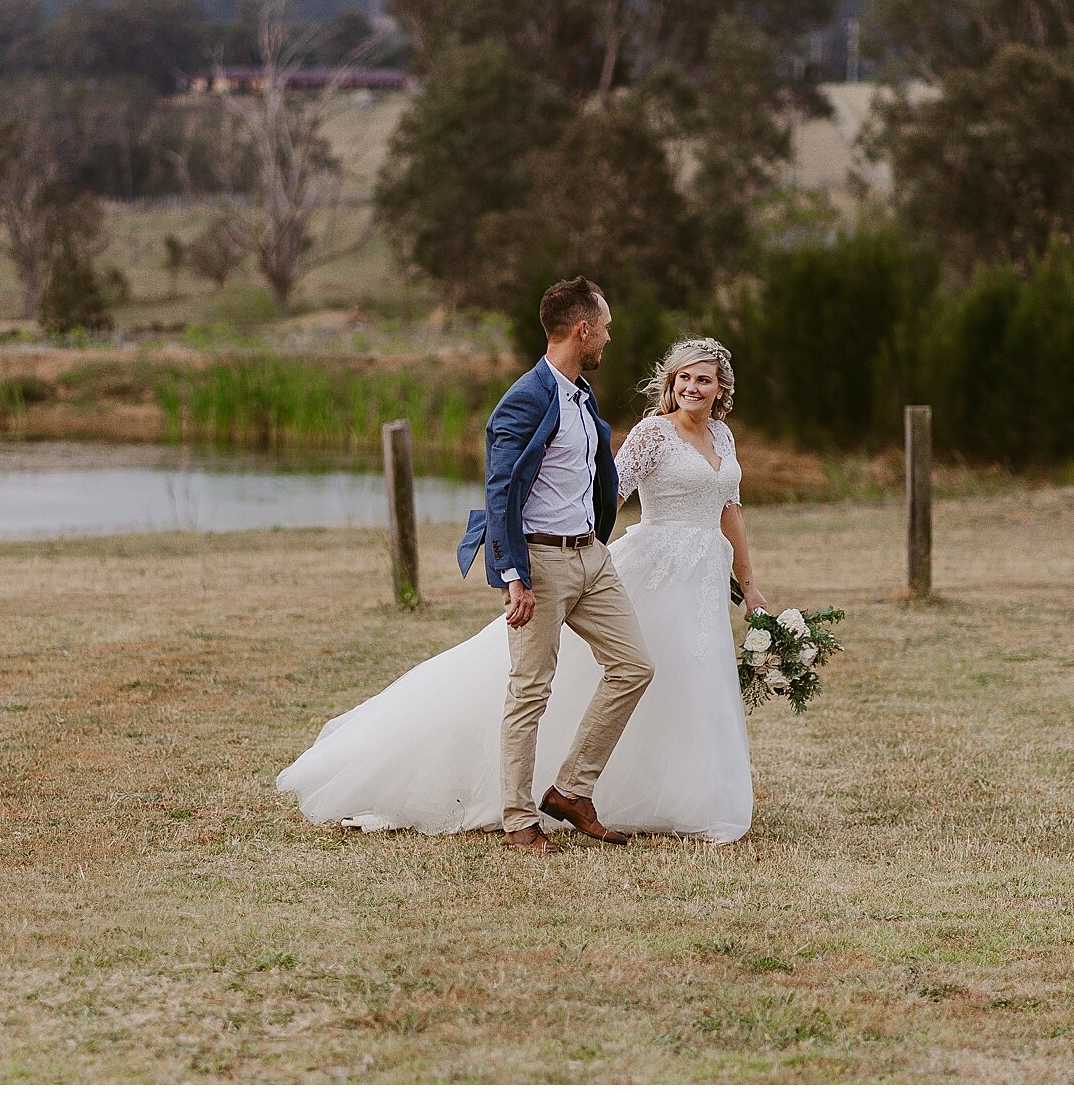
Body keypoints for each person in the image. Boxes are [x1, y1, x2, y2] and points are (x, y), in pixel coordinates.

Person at [275, 302, 768, 847]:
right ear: (585, 330)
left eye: (705, 380)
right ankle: (517, 820)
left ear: (721, 388)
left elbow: (612, 489)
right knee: (530, 688)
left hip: (602, 560)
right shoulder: (546, 402)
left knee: (634, 667)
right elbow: (517, 486)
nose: (692, 388)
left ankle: (572, 790)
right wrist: (516, 567)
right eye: (684, 378)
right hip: (558, 560)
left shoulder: (589, 401)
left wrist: (742, 584)